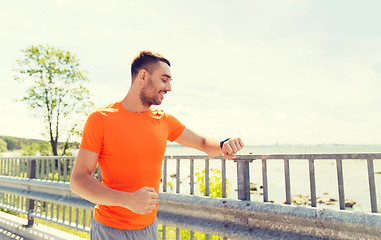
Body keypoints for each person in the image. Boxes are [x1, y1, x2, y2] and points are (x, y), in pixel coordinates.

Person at [70, 50, 244, 240]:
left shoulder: (164, 121)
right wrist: (127, 200)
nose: (169, 87)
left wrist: (224, 145)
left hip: (149, 228)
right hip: (110, 230)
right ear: (143, 76)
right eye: (164, 79)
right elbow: (78, 180)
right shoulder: (101, 119)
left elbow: (202, 143)